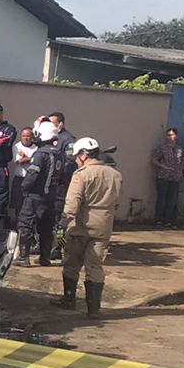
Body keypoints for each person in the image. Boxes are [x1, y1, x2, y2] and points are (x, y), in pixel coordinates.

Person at [59, 136, 123, 318]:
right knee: (95, 266)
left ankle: (69, 299)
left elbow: (73, 202)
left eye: (76, 157)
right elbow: (117, 202)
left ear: (83, 155)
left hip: (81, 226)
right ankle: (93, 310)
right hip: (104, 225)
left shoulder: (81, 175)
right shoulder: (115, 174)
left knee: (71, 263)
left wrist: (62, 223)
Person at [15, 120, 66, 266]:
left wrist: (24, 188)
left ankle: (23, 258)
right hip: (51, 197)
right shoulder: (60, 155)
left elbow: (32, 175)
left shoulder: (40, 154)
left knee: (25, 224)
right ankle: (45, 258)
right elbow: (62, 177)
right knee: (46, 227)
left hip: (35, 196)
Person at [150, 127, 184, 228]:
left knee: (172, 200)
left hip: (175, 177)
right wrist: (163, 166)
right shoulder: (163, 148)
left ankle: (168, 220)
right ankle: (158, 219)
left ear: (176, 136)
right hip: (164, 176)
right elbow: (154, 159)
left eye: (172, 135)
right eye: (168, 135)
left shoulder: (179, 149)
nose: (170, 137)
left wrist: (180, 171)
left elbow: (183, 160)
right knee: (162, 198)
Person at [10, 126, 36, 217]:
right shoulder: (16, 147)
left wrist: (26, 157)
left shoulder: (36, 148)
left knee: (30, 205)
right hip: (19, 179)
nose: (25, 138)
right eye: (23, 136)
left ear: (32, 137)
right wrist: (32, 158)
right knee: (18, 204)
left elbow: (37, 162)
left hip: (32, 180)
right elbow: (19, 161)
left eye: (28, 136)